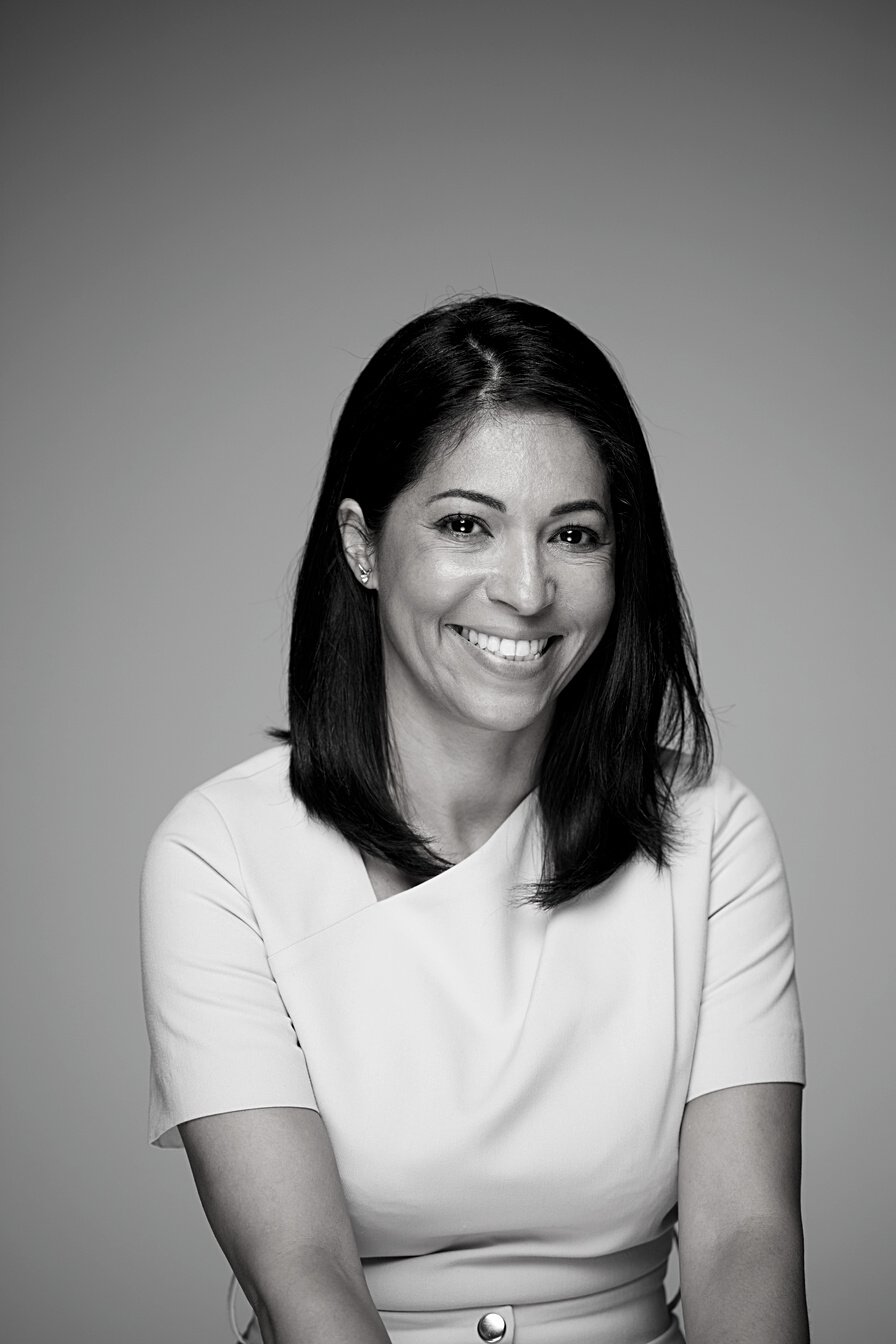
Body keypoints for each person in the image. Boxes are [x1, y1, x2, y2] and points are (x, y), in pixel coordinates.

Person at [140, 295, 809, 1344]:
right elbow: (302, 1280)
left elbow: (743, 1241)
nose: (528, 587)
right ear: (362, 546)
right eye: (465, 524)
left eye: (573, 535)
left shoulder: (710, 826)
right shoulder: (218, 852)